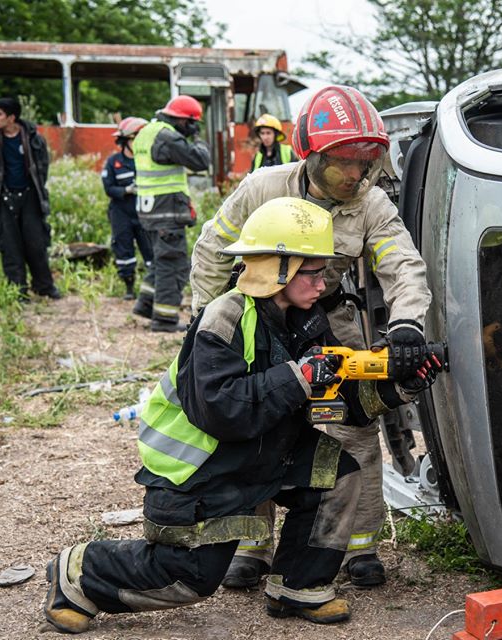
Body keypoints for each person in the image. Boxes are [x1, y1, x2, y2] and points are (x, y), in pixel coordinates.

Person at [42, 197, 441, 633]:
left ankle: (297, 585)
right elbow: (221, 410)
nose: (322, 283)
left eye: (324, 271)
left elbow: (342, 402)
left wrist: (400, 385)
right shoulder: (225, 317)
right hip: (198, 470)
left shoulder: (306, 320)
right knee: (189, 578)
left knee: (336, 472)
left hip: (259, 454)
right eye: (312, 272)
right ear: (276, 269)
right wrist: (299, 376)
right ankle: (78, 574)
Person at [190, 85, 432, 589]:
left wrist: (407, 323)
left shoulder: (371, 204)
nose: (353, 174)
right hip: (261, 314)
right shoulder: (263, 187)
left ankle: (358, 548)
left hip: (328, 316)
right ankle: (252, 548)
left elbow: (402, 266)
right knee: (255, 424)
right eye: (342, 162)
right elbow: (213, 250)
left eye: (364, 163)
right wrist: (206, 327)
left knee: (352, 424)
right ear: (311, 155)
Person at [131, 95, 210, 332]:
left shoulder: (146, 131)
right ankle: (164, 319)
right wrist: (197, 137)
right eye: (191, 124)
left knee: (160, 260)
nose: (190, 128)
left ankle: (145, 304)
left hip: (149, 211)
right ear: (184, 121)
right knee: (172, 264)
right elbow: (200, 160)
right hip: (166, 212)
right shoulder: (167, 136)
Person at [0, 96, 61, 301]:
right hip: (3, 197)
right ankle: (18, 291)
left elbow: (42, 168)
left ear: (12, 117)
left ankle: (44, 287)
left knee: (36, 243)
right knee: (10, 246)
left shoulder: (33, 137)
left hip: (29, 196)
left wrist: (34, 190)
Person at [101, 116, 153, 300]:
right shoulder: (113, 162)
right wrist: (126, 190)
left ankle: (150, 289)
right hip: (120, 212)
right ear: (127, 140)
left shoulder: (146, 160)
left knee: (150, 250)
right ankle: (129, 287)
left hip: (144, 212)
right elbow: (108, 188)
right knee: (123, 250)